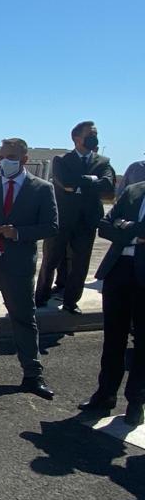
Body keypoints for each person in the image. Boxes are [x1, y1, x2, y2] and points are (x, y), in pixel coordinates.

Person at [0, 138, 58, 398]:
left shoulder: (42, 189)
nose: (5, 161)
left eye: (11, 157)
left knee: (23, 317)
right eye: (1, 156)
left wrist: (18, 233)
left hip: (17, 265)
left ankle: (32, 373)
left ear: (25, 159)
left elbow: (51, 226)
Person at [77, 181, 145, 426]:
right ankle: (105, 394)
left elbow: (118, 226)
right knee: (113, 338)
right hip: (118, 271)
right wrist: (136, 233)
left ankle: (136, 402)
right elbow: (105, 226)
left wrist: (124, 227)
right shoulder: (134, 190)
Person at [35, 121, 116, 313]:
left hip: (87, 221)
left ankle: (71, 301)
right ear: (76, 138)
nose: (94, 138)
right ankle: (41, 296)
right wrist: (93, 181)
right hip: (61, 220)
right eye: (90, 134)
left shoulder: (103, 162)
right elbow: (66, 183)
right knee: (51, 260)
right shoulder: (61, 160)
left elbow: (108, 186)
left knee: (80, 264)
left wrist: (80, 184)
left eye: (95, 134)